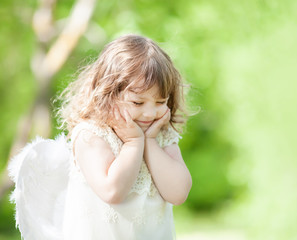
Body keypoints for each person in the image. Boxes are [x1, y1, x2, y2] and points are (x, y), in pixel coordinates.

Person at [9, 34, 192, 240]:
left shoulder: (160, 136)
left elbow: (178, 194)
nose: (150, 114)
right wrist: (133, 144)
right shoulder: (92, 135)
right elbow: (112, 192)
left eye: (160, 102)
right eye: (138, 103)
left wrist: (149, 142)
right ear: (108, 94)